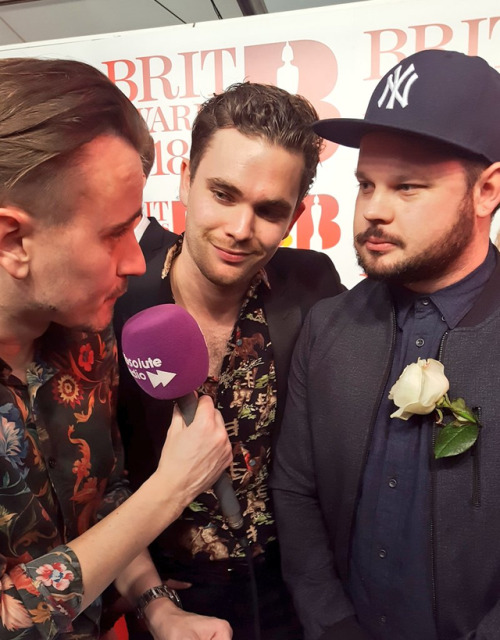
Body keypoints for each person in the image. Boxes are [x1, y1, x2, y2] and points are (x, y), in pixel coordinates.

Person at [0, 57, 234, 640]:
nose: (136, 261)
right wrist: (174, 487)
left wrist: (158, 608)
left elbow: (104, 498)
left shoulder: (87, 335)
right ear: (12, 240)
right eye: (112, 234)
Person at [271, 48, 500, 640]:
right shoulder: (327, 326)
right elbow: (295, 491)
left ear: (487, 191)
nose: (373, 210)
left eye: (408, 187)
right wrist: (329, 624)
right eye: (366, 184)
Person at [114, 82, 344, 639]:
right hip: (165, 596)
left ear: (296, 215)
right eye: (223, 194)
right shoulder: (115, 300)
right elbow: (100, 484)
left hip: (295, 591)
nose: (241, 230)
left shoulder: (314, 287)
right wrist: (154, 602)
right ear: (186, 179)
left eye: (269, 210)